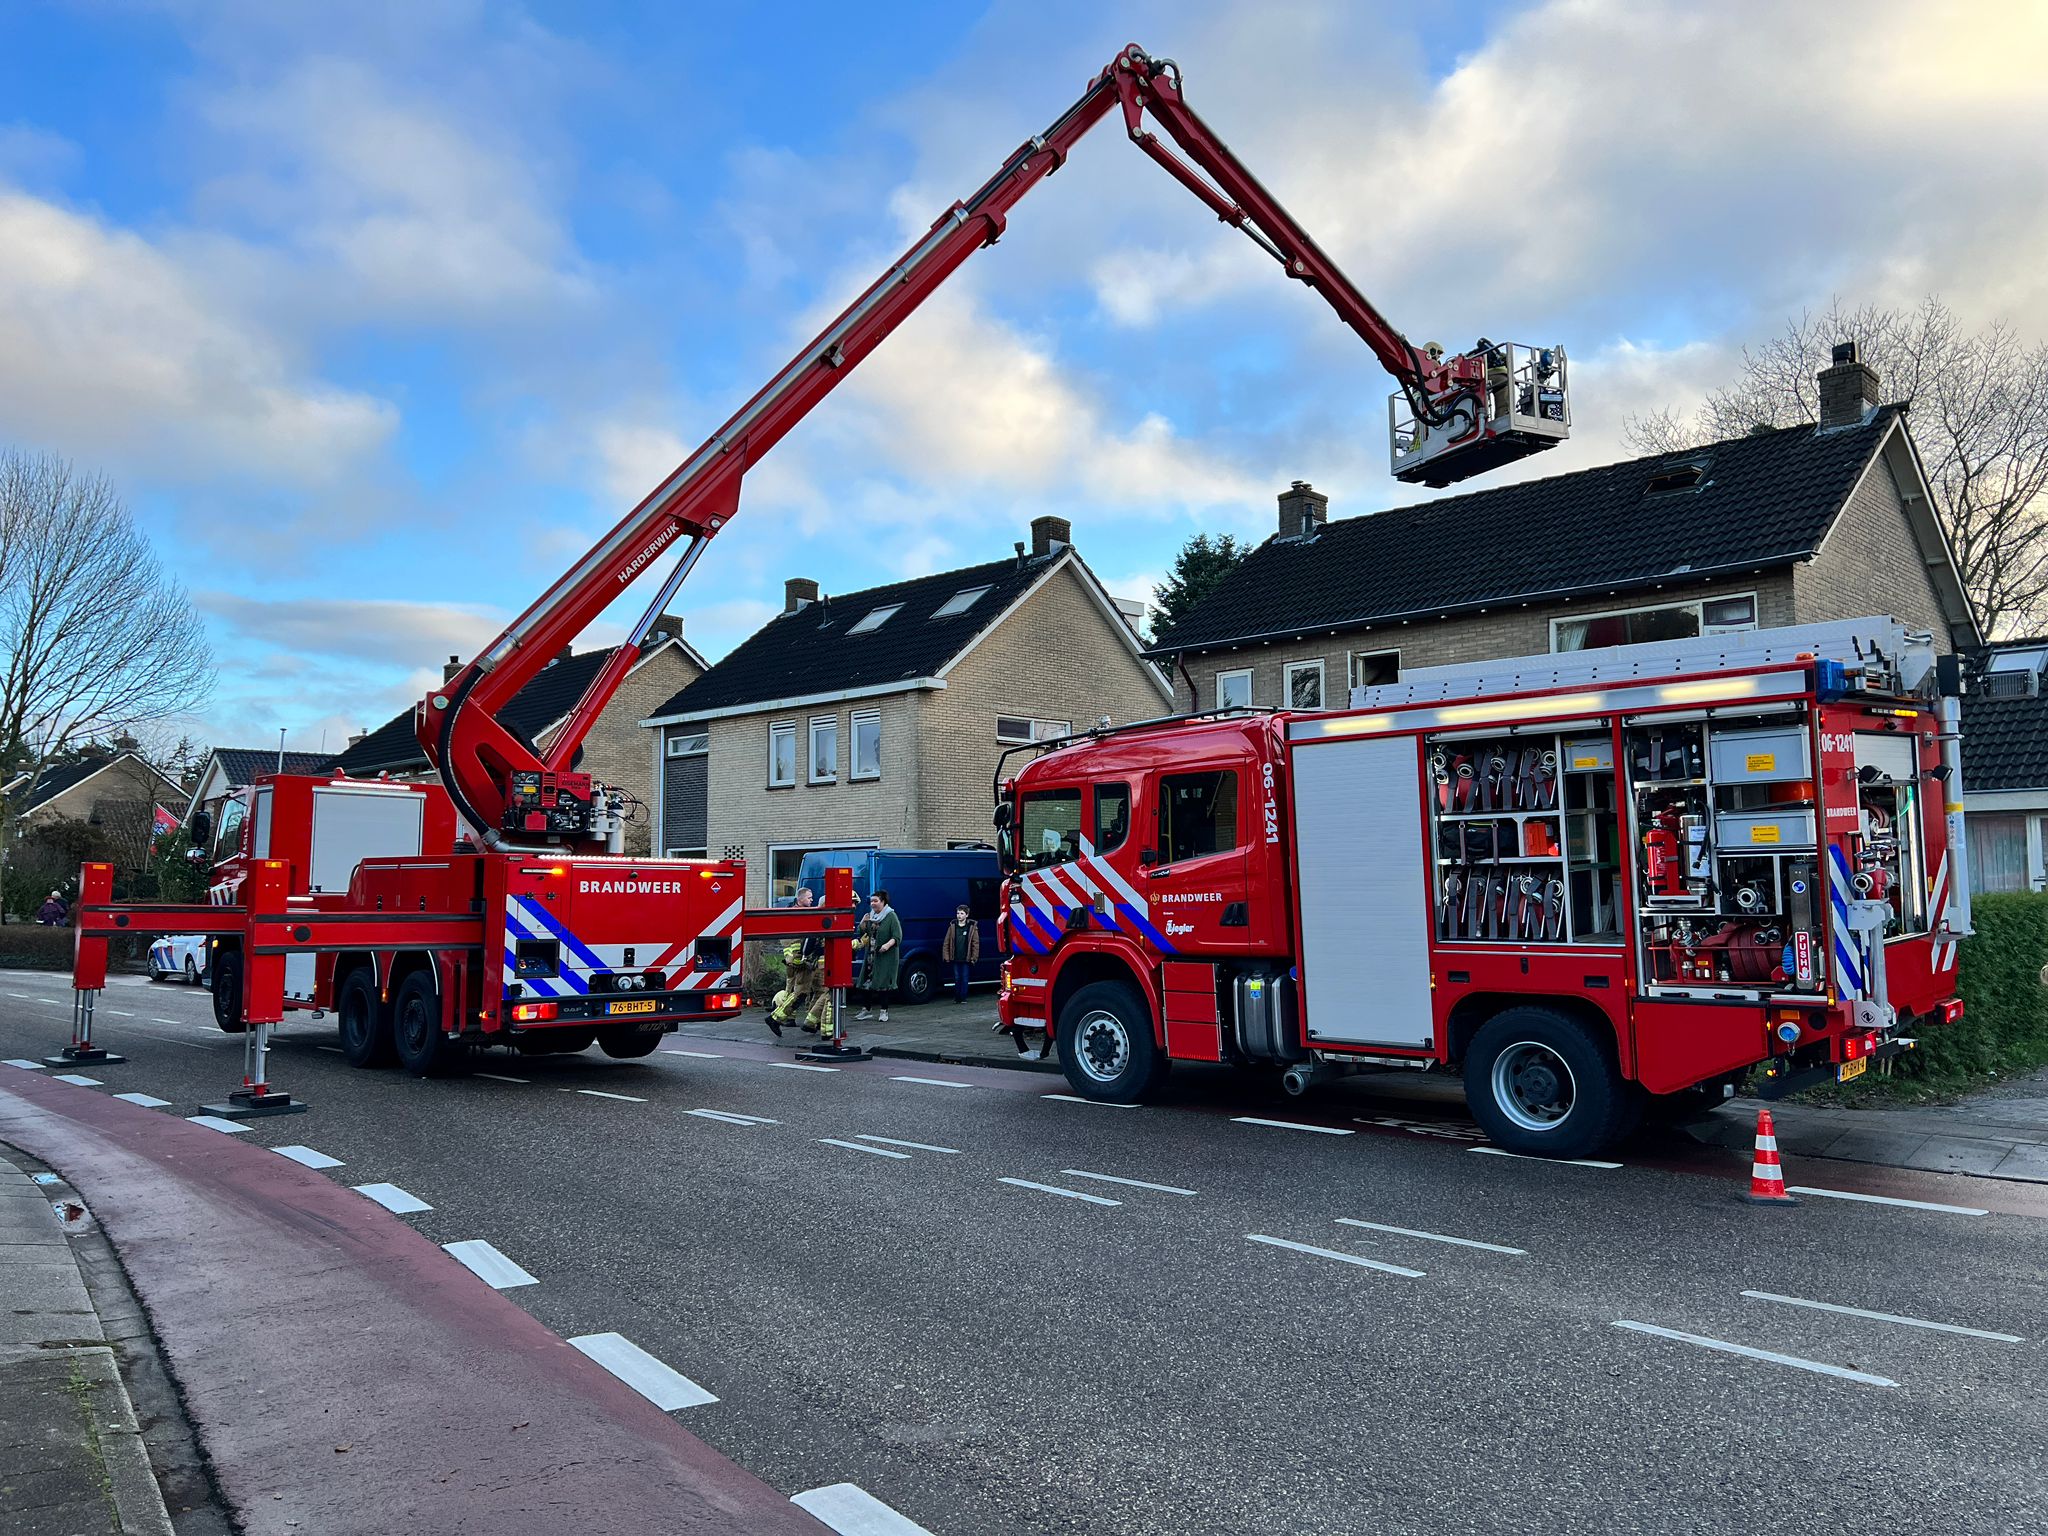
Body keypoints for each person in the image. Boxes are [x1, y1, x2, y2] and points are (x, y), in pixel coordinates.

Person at [767, 887, 824, 1038]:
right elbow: (789, 940)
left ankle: (805, 1021)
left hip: (804, 960)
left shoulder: (806, 913)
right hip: (797, 962)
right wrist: (794, 958)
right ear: (800, 899)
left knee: (802, 991)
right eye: (809, 898)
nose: (812, 900)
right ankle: (776, 1018)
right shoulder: (793, 914)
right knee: (797, 991)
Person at [853, 889, 900, 1023]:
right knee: (865, 983)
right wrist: (863, 922)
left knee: (883, 984)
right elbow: (862, 932)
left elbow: (897, 936)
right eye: (871, 901)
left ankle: (884, 1011)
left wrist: (887, 945)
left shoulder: (891, 916)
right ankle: (866, 1010)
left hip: (885, 957)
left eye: (876, 901)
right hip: (871, 956)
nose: (873, 904)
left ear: (883, 902)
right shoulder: (871, 916)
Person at [940, 902, 978, 1003]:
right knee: (957, 978)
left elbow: (975, 943)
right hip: (955, 957)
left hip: (966, 958)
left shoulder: (971, 927)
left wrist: (974, 957)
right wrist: (946, 956)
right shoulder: (952, 926)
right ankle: (957, 998)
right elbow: (946, 942)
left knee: (965, 978)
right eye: (958, 913)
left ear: (967, 915)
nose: (959, 915)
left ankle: (963, 997)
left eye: (961, 913)